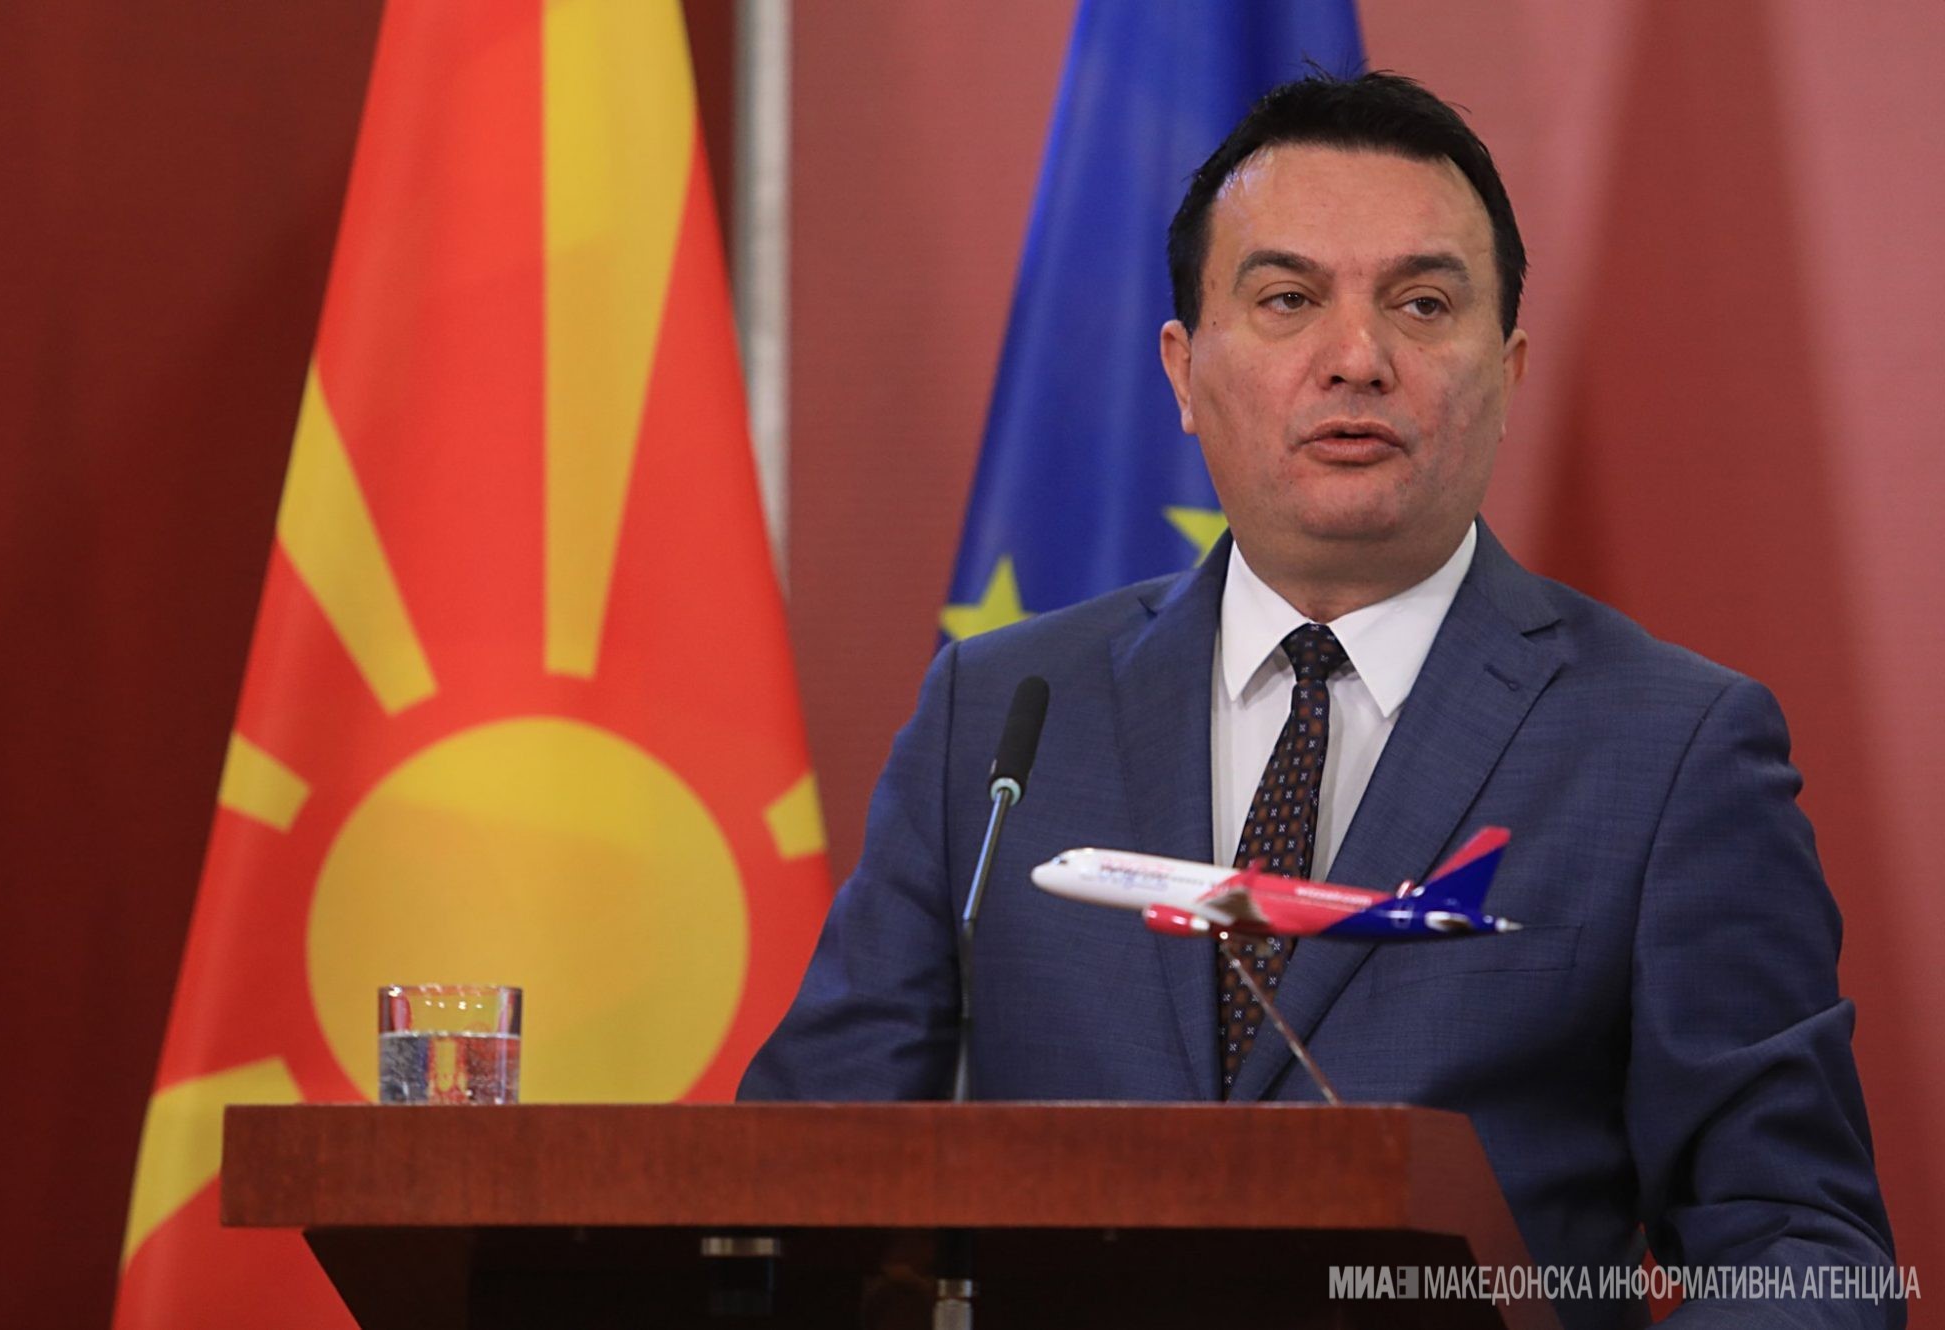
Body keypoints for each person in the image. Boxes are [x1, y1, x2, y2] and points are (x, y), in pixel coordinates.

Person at [741, 73, 1899, 1327]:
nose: (1356, 359)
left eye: (1421, 303)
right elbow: (786, 1188)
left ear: (1507, 371)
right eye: (1287, 299)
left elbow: (1804, 1253)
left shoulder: (1669, 749)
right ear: (1183, 372)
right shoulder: (1000, 714)